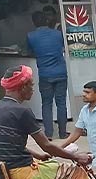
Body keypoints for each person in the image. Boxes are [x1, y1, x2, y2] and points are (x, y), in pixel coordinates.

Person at [25, 10, 69, 138]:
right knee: (61, 103)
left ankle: (49, 134)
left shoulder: (31, 36)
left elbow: (28, 52)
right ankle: (62, 133)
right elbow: (61, 48)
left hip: (45, 74)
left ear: (34, 22)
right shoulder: (57, 34)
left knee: (47, 103)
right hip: (61, 72)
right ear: (47, 20)